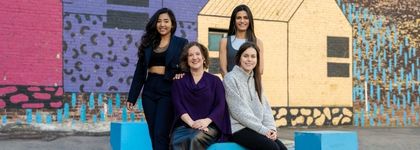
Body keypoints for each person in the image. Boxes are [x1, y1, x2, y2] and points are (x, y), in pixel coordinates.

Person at [126, 8, 188, 150]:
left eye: (166, 21)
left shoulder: (181, 43)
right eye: (159, 21)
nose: (162, 24)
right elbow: (140, 72)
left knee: (161, 132)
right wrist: (132, 97)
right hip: (150, 89)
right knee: (153, 132)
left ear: (172, 24)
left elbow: (188, 64)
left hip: (168, 88)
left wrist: (181, 73)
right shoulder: (148, 44)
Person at [223, 42, 287, 150]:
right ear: (239, 58)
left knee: (282, 148)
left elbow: (266, 109)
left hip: (257, 128)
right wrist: (263, 130)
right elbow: (239, 112)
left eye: (253, 56)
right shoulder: (230, 78)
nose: (249, 59)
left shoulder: (256, 80)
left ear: (257, 60)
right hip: (239, 128)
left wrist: (272, 129)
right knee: (272, 148)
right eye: (246, 56)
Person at [170, 42, 231, 150]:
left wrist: (205, 121)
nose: (194, 57)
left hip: (209, 126)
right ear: (187, 60)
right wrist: (192, 123)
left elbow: (220, 105)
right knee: (177, 141)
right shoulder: (178, 81)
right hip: (184, 126)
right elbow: (178, 106)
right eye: (190, 55)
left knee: (195, 138)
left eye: (198, 54)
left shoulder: (215, 81)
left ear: (203, 58)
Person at [219, 4, 264, 77]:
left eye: (246, 18)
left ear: (250, 21)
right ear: (234, 21)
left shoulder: (258, 42)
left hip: (250, 86)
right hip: (230, 86)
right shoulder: (225, 42)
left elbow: (260, 70)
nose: (242, 21)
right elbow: (223, 69)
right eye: (239, 18)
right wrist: (231, 84)